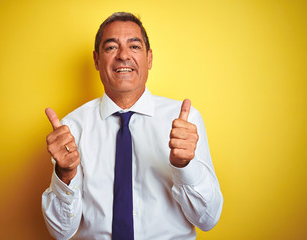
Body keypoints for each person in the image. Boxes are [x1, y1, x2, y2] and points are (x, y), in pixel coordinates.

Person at [42, 12, 223, 240]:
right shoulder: (71, 128)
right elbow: (61, 232)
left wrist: (185, 167)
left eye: (134, 46)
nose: (123, 55)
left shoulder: (184, 122)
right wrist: (65, 174)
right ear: (97, 60)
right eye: (111, 48)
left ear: (149, 59)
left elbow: (208, 219)